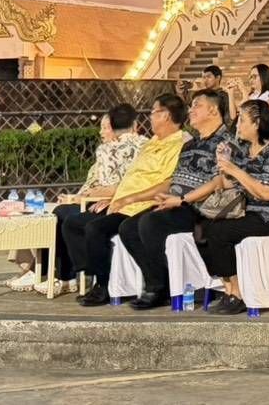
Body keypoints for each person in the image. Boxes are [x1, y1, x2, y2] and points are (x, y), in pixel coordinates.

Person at [116, 89, 241, 310]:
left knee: (150, 223)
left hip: (201, 207)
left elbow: (219, 182)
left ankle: (157, 288)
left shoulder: (225, 142)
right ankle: (157, 280)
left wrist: (182, 199)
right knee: (128, 227)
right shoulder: (190, 145)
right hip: (174, 201)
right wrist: (141, 197)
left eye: (197, 106)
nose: (190, 110)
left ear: (213, 109)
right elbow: (173, 179)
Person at [12, 103, 142, 295]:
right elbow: (92, 184)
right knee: (54, 212)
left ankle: (64, 275)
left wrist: (81, 198)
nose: (102, 132)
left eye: (107, 127)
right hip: (92, 200)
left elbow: (118, 185)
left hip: (113, 203)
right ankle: (45, 271)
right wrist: (74, 197)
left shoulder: (126, 150)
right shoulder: (106, 152)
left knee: (61, 214)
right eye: (102, 127)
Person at [73, 95, 189, 306]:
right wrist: (115, 198)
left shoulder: (179, 143)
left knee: (106, 229)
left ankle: (150, 286)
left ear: (166, 115)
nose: (150, 117)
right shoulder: (152, 142)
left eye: (153, 112)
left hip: (146, 203)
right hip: (125, 202)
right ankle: (95, 279)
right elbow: (131, 177)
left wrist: (130, 198)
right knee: (79, 223)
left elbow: (168, 182)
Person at [195, 99, 269, 317]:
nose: (237, 125)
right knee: (201, 228)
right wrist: (224, 164)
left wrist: (235, 169)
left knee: (220, 233)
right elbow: (229, 184)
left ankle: (238, 293)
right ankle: (229, 287)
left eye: (242, 120)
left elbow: (268, 193)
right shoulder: (245, 148)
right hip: (248, 210)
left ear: (257, 123)